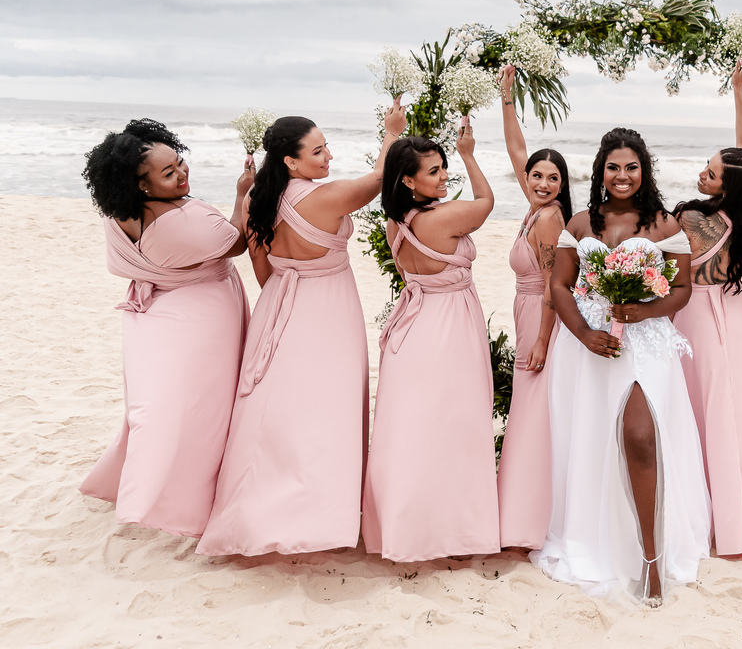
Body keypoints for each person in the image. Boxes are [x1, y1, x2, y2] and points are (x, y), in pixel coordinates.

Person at [197, 102, 406, 556]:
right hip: (328, 305)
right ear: (291, 160)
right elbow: (379, 180)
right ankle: (317, 514)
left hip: (279, 300)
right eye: (317, 151)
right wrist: (392, 131)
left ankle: (258, 503)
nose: (327, 157)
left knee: (277, 406)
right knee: (328, 403)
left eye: (327, 147)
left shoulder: (258, 197)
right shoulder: (326, 197)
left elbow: (260, 262)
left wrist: (278, 302)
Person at [532, 128, 711, 604]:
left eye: (631, 166)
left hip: (646, 341)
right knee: (594, 441)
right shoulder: (580, 223)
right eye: (613, 167)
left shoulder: (665, 225)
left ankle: (652, 559)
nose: (622, 176)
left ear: (644, 170)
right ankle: (601, 540)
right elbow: (560, 287)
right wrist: (586, 335)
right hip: (592, 345)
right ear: (600, 171)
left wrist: (645, 311)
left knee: (640, 436)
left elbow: (681, 291)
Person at [79, 119, 252, 538]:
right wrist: (243, 193)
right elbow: (238, 241)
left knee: (161, 405)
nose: (182, 174)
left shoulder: (118, 214)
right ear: (140, 185)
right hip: (203, 313)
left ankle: (139, 481)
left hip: (159, 309)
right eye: (169, 172)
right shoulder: (179, 224)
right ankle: (185, 500)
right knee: (205, 408)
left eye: (179, 162)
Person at [362, 120, 500, 562]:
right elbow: (486, 203)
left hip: (414, 329)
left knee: (413, 427)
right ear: (408, 179)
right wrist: (468, 154)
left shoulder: (395, 222)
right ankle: (450, 531)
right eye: (435, 171)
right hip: (448, 328)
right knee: (455, 426)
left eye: (445, 168)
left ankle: (406, 528)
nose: (444, 177)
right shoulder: (442, 217)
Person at [671, 58, 742, 557]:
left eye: (710, 173)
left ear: (725, 186)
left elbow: (668, 270)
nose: (701, 175)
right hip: (736, 317)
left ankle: (702, 517)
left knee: (696, 413)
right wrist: (739, 94)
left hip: (695, 315)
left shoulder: (691, 219)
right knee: (737, 418)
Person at [494, 65, 571, 550]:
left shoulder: (549, 219)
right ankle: (520, 508)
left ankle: (530, 516)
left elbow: (550, 286)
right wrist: (507, 98)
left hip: (542, 318)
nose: (542, 182)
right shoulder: (532, 206)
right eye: (537, 176)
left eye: (552, 177)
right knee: (529, 406)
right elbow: (516, 150)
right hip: (527, 314)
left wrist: (542, 338)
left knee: (536, 408)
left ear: (562, 184)